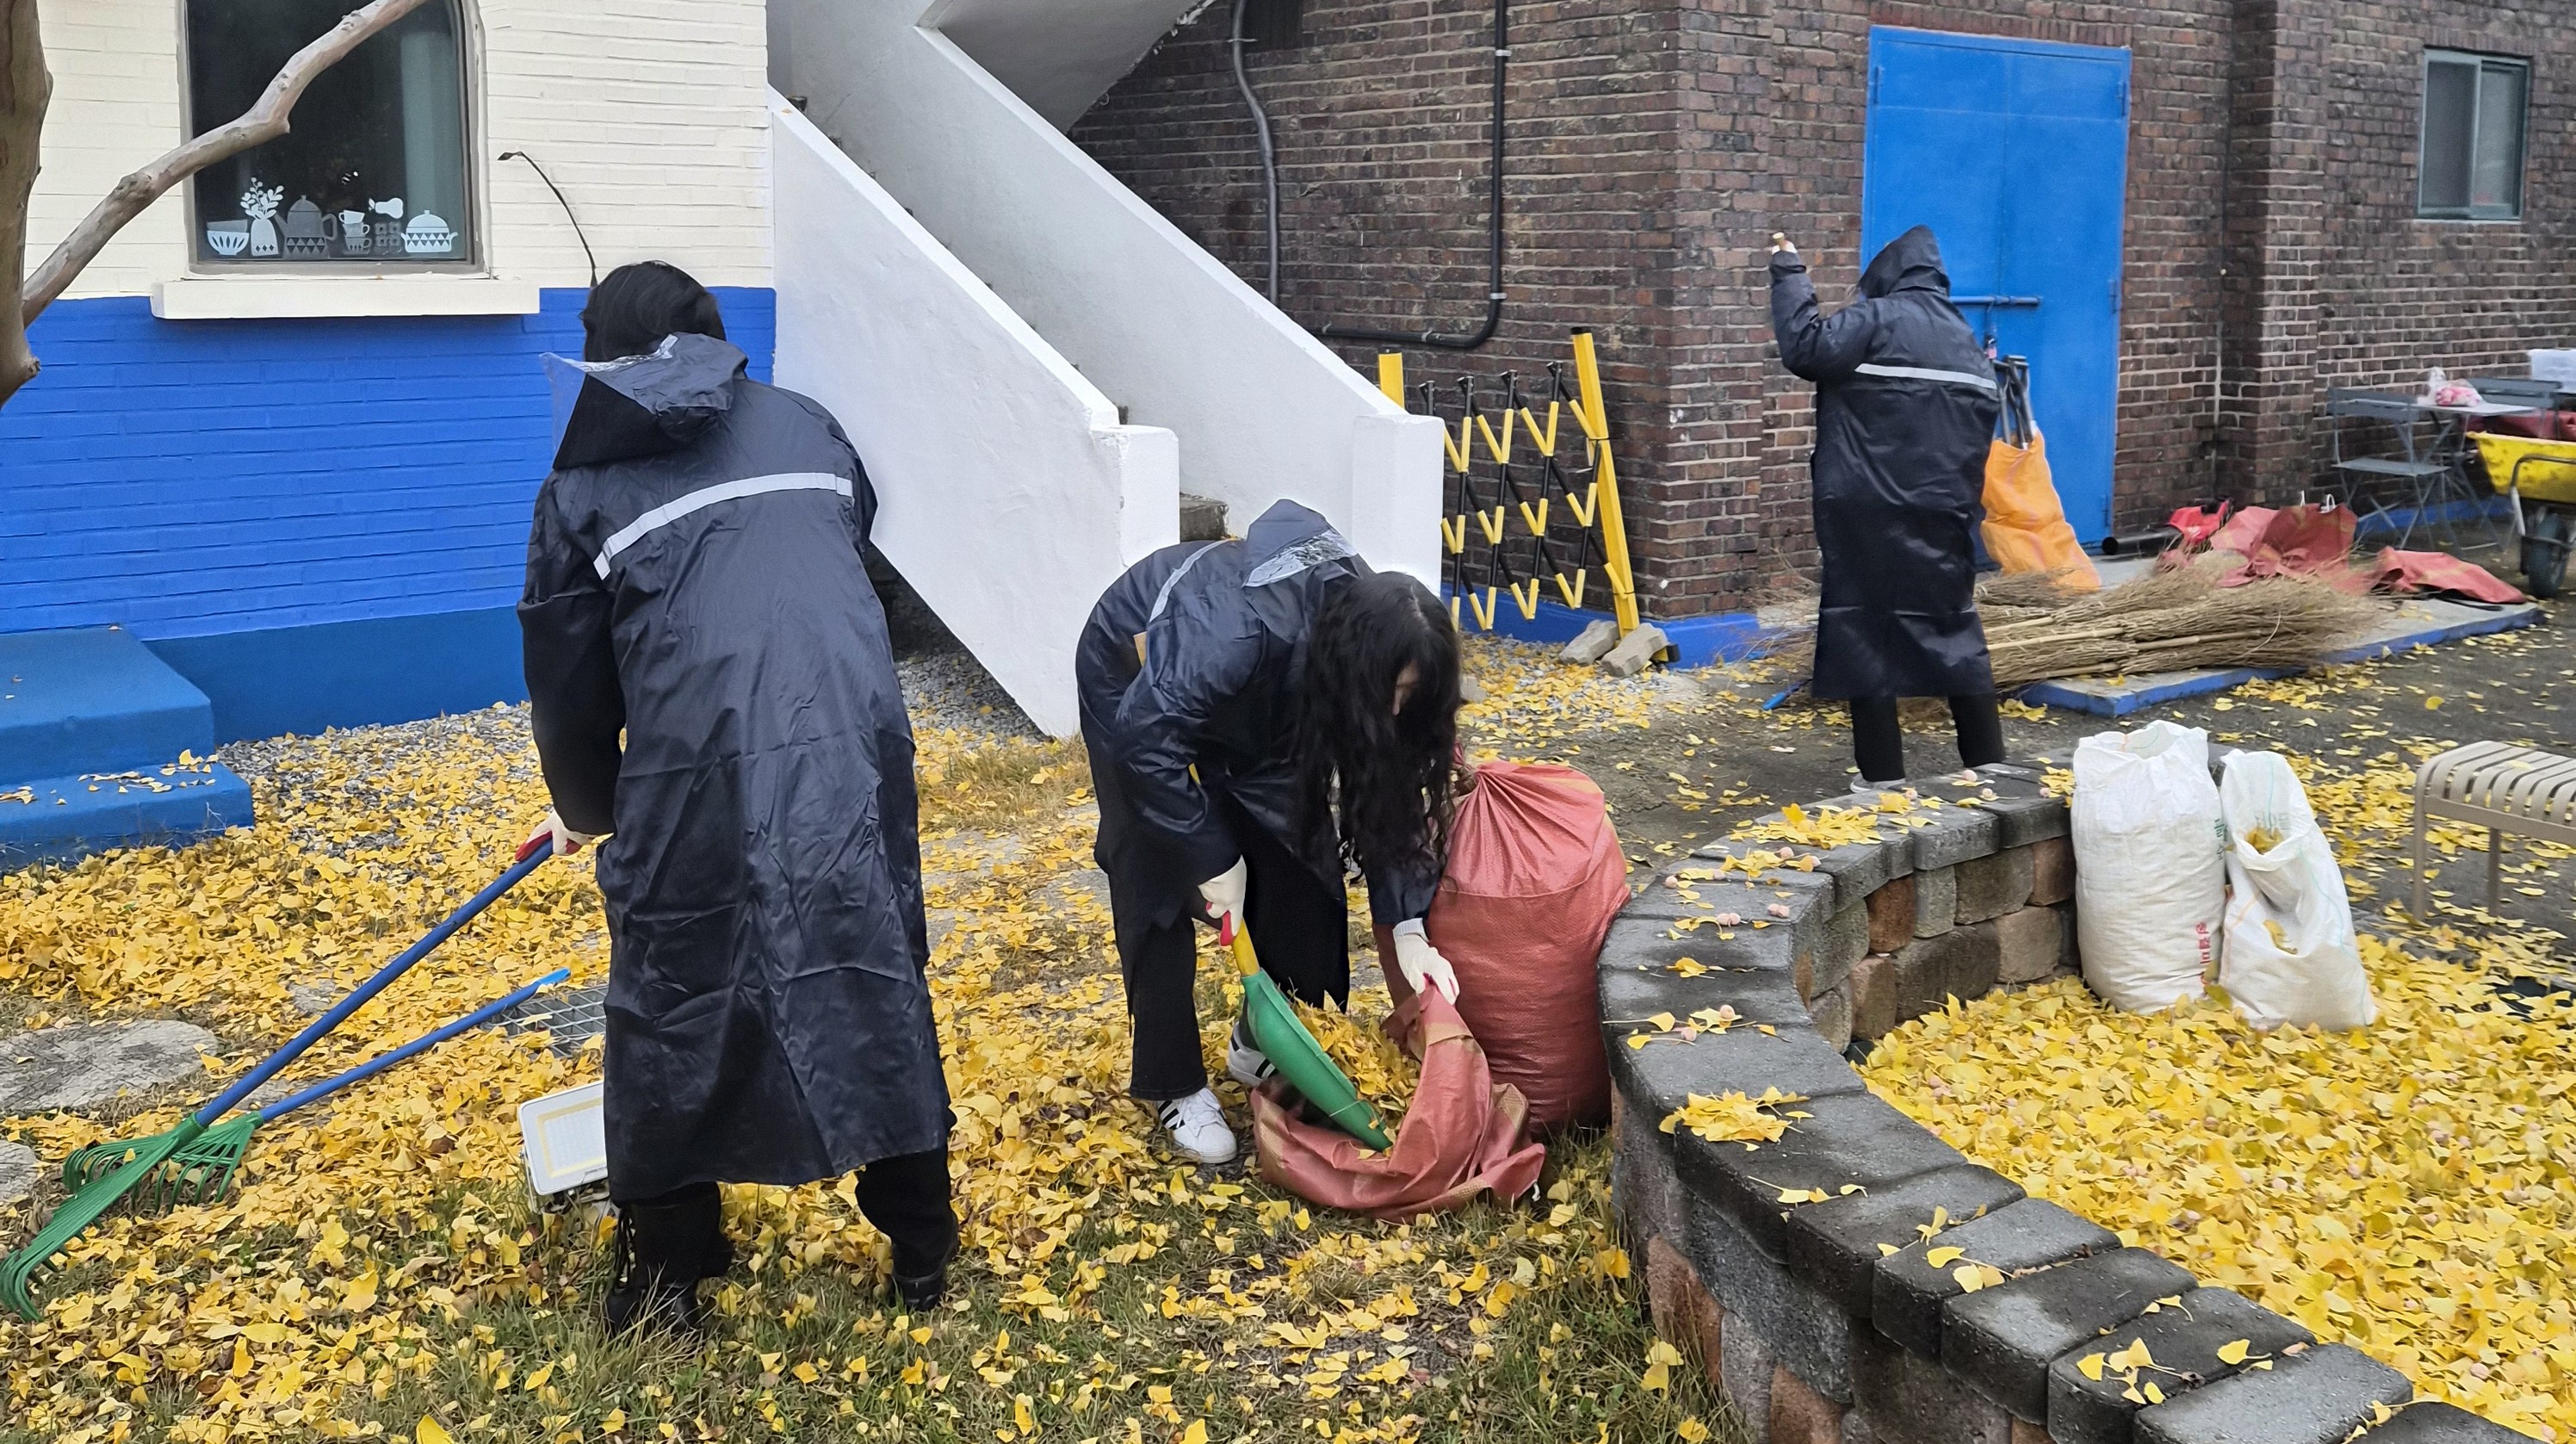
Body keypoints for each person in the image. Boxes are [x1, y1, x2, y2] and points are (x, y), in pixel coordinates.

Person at [517, 261, 956, 1337]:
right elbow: (850, 547)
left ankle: (672, 1273)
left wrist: (588, 801)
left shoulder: (584, 487)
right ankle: (923, 1249)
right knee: (869, 968)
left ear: (606, 353)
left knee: (675, 991)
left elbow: (568, 672)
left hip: (692, 769)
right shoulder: (807, 424)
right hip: (852, 751)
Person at [1076, 501, 1465, 1165]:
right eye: (1393, 693)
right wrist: (1209, 853)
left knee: (1300, 855)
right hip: (1139, 678)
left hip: (1265, 697)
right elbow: (1148, 741)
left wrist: (1407, 924)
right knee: (1154, 866)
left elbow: (1391, 780)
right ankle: (1175, 1083)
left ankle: (1262, 1037)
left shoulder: (1377, 631)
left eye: (1410, 696)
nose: (1398, 709)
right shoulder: (1231, 633)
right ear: (1356, 666)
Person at [1768, 225, 2007, 785]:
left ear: (1890, 276)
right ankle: (1993, 769)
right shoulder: (1967, 343)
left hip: (1869, 511)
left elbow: (1806, 347)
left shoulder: (1875, 321)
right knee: (1955, 634)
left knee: (1865, 633)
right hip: (1943, 515)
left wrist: (1788, 271)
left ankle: (1883, 781)